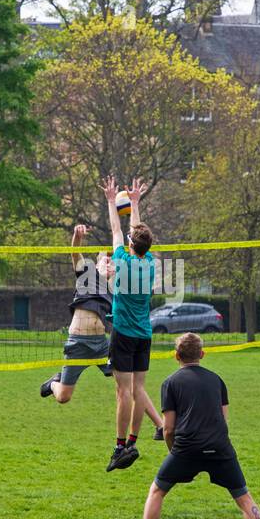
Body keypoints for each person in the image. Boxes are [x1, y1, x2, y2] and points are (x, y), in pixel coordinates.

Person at [121, 332, 260, 519]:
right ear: (202, 354)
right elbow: (224, 421)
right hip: (220, 447)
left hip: (186, 448)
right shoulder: (217, 380)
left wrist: (173, 452)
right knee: (244, 498)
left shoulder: (170, 383)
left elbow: (168, 429)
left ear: (176, 356)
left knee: (157, 491)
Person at [39, 224, 166, 440]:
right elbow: (75, 253)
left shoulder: (116, 287)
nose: (108, 261)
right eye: (103, 259)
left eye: (110, 259)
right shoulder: (85, 275)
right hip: (78, 343)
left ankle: (160, 426)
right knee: (63, 397)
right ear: (96, 263)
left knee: (132, 386)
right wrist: (76, 237)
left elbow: (138, 264)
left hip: (102, 344)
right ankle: (53, 383)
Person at [103, 175, 157, 472]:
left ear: (129, 243)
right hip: (144, 334)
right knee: (137, 390)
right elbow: (137, 234)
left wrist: (113, 201)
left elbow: (116, 228)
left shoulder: (122, 259)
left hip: (123, 333)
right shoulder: (150, 263)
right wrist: (135, 202)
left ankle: (120, 446)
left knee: (123, 392)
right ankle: (133, 441)